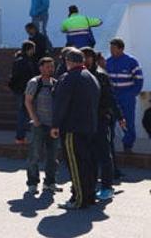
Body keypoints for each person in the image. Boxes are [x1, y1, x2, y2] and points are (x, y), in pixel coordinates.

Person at [51, 48, 100, 210]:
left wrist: (55, 124)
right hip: (89, 127)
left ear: (68, 62)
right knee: (87, 163)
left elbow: (60, 104)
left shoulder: (68, 78)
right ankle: (89, 195)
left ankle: (79, 199)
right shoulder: (91, 77)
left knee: (75, 165)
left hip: (73, 128)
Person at [81, 47, 125, 201]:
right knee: (88, 156)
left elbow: (111, 98)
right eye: (83, 57)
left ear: (93, 58)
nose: (85, 60)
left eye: (88, 57)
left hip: (100, 120)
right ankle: (89, 187)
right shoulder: (78, 75)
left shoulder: (101, 75)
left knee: (104, 155)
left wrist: (119, 117)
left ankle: (107, 187)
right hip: (84, 123)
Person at [24, 57, 60, 194]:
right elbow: (27, 101)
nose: (50, 69)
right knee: (34, 155)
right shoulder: (34, 82)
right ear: (41, 68)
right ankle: (32, 184)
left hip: (53, 126)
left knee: (53, 156)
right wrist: (35, 120)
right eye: (47, 66)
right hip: (38, 126)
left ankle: (50, 182)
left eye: (52, 66)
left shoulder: (56, 83)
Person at [106, 37, 143, 154]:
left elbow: (139, 79)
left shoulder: (132, 61)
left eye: (114, 48)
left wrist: (132, 94)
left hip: (127, 95)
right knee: (109, 120)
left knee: (128, 120)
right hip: (113, 96)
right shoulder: (108, 62)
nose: (111, 50)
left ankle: (128, 145)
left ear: (121, 49)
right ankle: (109, 145)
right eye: (110, 48)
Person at [9, 41, 37, 145]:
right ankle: (20, 137)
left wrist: (13, 87)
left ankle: (21, 137)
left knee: (23, 113)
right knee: (24, 114)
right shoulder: (27, 61)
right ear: (29, 49)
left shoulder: (18, 61)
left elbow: (14, 77)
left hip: (19, 90)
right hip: (26, 90)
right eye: (33, 49)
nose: (34, 51)